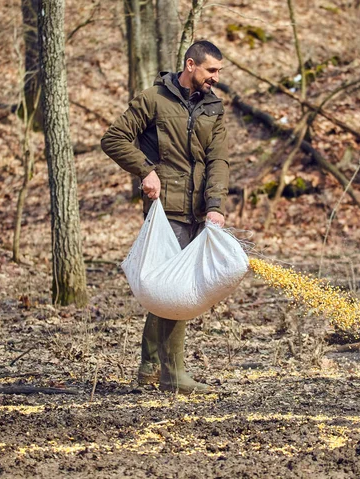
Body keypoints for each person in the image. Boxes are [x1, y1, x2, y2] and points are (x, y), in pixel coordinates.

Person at [101, 40, 229, 394]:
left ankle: (149, 366)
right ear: (190, 65)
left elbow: (218, 161)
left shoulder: (213, 108)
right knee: (176, 290)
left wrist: (215, 205)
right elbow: (113, 139)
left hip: (199, 210)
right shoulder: (153, 99)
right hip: (165, 210)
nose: (216, 78)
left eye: (219, 71)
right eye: (211, 71)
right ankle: (173, 374)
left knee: (167, 289)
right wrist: (145, 170)